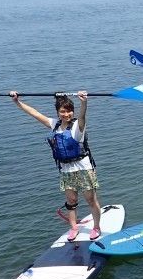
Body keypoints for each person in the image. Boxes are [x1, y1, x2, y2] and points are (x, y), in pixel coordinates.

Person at [9, 90, 102, 241]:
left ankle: (96, 227)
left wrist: (84, 102)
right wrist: (17, 102)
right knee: (71, 202)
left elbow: (83, 115)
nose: (67, 114)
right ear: (58, 113)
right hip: (66, 170)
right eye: (63, 112)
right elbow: (35, 114)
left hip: (83, 168)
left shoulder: (78, 125)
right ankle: (73, 228)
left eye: (69, 111)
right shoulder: (54, 125)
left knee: (91, 200)